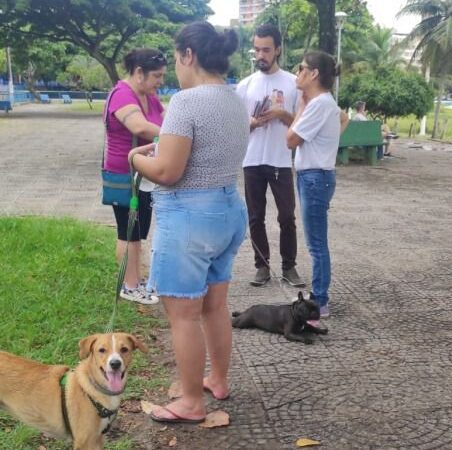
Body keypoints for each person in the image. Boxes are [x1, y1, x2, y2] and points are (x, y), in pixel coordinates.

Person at [128, 22, 248, 423]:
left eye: (176, 57)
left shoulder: (186, 102)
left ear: (188, 55)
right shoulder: (234, 99)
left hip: (190, 217)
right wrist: (159, 152)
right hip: (228, 209)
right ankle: (218, 379)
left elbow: (167, 172)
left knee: (182, 314)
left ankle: (192, 401)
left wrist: (134, 159)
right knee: (215, 306)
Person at [236, 24, 305, 288]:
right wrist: (252, 123)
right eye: (257, 50)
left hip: (280, 160)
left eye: (266, 49)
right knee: (255, 217)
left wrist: (281, 115)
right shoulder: (245, 85)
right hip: (252, 160)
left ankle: (289, 266)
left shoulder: (292, 84)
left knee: (287, 216)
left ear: (278, 49)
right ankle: (261, 266)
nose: (260, 55)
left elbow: (301, 123)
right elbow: (236, 125)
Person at [287, 51, 348, 326]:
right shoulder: (324, 104)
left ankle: (320, 301)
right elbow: (342, 119)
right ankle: (319, 296)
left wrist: (301, 107)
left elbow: (290, 139)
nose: (297, 73)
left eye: (301, 68)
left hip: (315, 177)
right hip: (314, 176)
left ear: (313, 74)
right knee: (316, 243)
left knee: (316, 245)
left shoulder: (319, 104)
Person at [103, 48, 167, 304]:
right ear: (139, 72)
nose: (161, 82)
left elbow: (166, 119)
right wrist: (175, 136)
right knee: (127, 231)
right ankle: (128, 286)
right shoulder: (121, 94)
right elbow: (139, 126)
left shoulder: (149, 95)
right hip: (124, 174)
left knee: (139, 231)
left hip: (144, 173)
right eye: (157, 76)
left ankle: (135, 280)